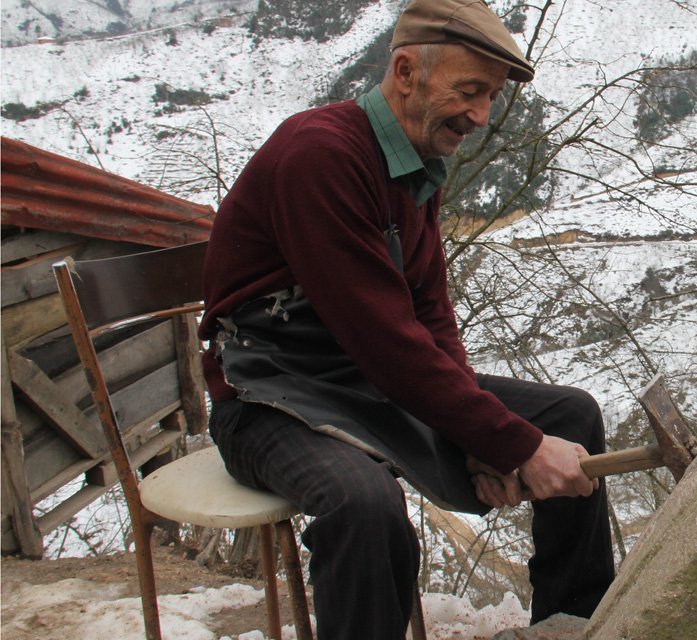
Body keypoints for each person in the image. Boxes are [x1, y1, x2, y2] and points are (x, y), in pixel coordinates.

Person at [197, 1, 615, 637]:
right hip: (268, 401)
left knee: (571, 416)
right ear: (405, 72)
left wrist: (480, 435)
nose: (481, 116)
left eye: (491, 97)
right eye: (469, 92)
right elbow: (385, 341)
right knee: (363, 506)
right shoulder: (320, 156)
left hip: (363, 385)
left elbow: (429, 314)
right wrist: (514, 446)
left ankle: (572, 625)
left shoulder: (413, 164)